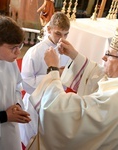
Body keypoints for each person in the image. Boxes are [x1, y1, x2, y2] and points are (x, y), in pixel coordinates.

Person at [27, 1, 118, 149]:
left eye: (109, 55)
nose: (103, 58)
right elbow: (99, 78)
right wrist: (74, 55)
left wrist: (52, 69)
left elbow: (60, 112)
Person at [19, 11, 70, 147]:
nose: (62, 39)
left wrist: (64, 75)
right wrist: (55, 73)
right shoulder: (34, 52)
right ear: (48, 29)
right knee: (34, 137)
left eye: (66, 34)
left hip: (56, 100)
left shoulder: (65, 49)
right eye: (58, 33)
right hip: (36, 102)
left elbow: (66, 77)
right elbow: (27, 81)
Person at [0, 15, 31, 150]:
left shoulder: (10, 61)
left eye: (19, 46)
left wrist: (16, 105)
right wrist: (5, 116)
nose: (18, 52)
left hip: (11, 129)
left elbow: (16, 87)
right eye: (13, 48)